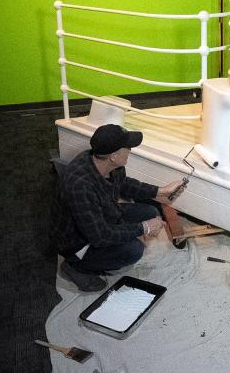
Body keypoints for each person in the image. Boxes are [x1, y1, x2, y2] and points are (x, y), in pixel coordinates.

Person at [50, 124, 184, 291]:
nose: (130, 150)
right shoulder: (80, 187)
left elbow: (124, 185)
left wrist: (161, 191)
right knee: (133, 250)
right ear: (114, 156)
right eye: (127, 147)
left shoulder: (108, 164)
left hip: (101, 214)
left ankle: (123, 233)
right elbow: (100, 236)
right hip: (77, 242)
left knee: (149, 211)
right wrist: (145, 227)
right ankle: (75, 267)